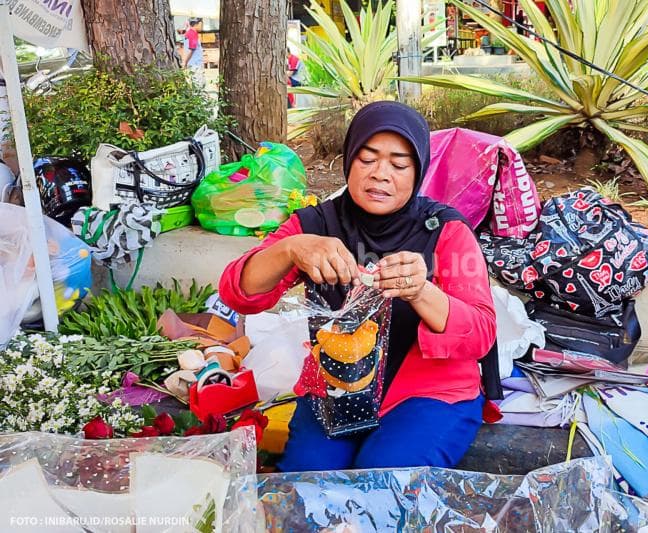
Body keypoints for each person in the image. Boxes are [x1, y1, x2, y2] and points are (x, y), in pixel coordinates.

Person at [219, 102, 498, 472]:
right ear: (349, 160)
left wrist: (421, 291)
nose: (380, 174)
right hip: (337, 386)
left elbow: (481, 333)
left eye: (399, 164)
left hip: (429, 392)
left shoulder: (445, 230)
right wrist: (290, 249)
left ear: (418, 171)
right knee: (309, 477)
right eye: (367, 159)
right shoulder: (315, 225)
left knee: (384, 474)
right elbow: (237, 293)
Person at [182, 18, 205, 88]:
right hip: (195, 64)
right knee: (198, 86)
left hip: (192, 64)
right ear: (199, 24)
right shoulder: (192, 33)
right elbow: (192, 49)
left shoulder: (189, 33)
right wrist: (185, 62)